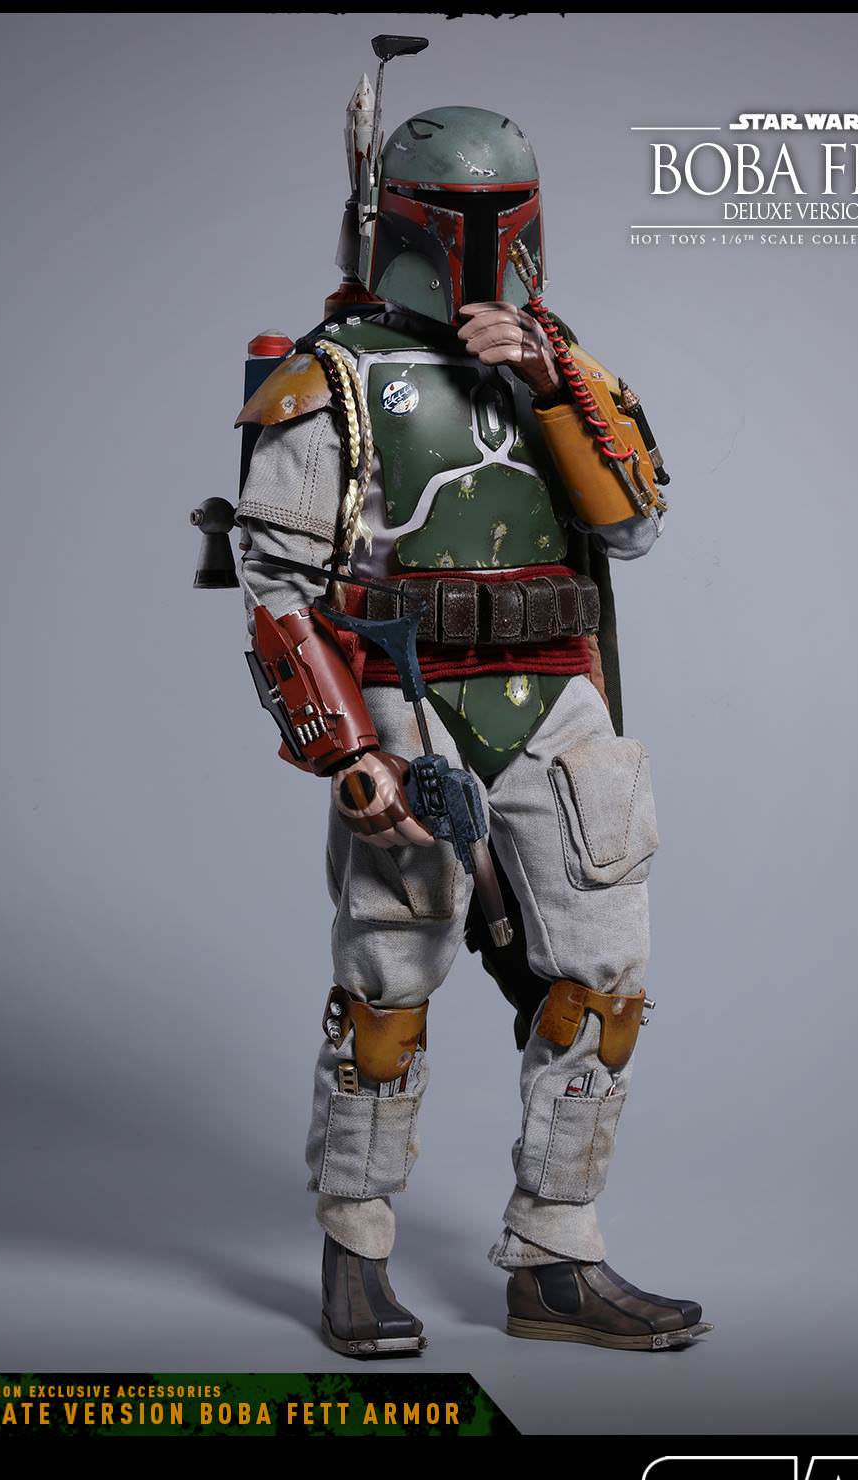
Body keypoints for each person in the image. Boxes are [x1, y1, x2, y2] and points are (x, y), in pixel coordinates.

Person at [232, 102, 711, 1358]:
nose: (485, 241)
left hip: (555, 697)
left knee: (600, 990)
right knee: (388, 984)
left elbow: (630, 524)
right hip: (405, 694)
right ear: (394, 221)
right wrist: (350, 753)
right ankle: (355, 1249)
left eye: (506, 214)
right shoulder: (331, 377)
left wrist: (547, 379)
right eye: (460, 217)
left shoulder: (561, 365)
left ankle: (557, 1257)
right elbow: (275, 584)